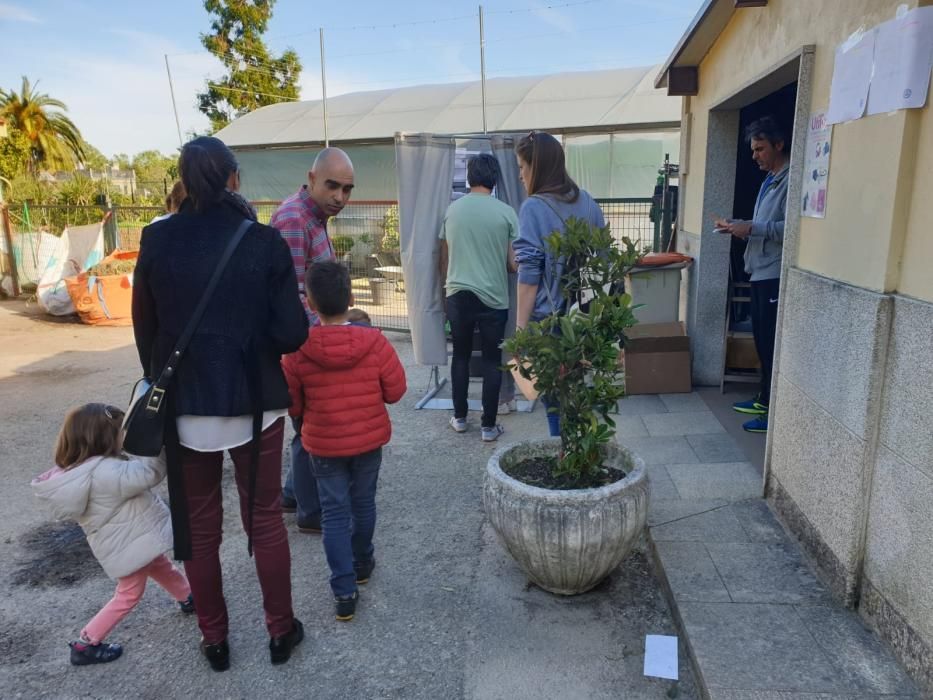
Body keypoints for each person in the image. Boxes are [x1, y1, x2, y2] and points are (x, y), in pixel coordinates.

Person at [132, 136, 308, 671]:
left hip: (185, 406)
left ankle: (215, 640)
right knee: (264, 522)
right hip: (255, 404)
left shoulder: (156, 240)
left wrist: (161, 375)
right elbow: (293, 331)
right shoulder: (263, 242)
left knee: (201, 530)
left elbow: (146, 328)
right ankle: (280, 632)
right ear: (234, 179)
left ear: (183, 183)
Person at [282, 261, 406, 622]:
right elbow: (396, 391)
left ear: (311, 304)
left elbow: (293, 404)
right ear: (352, 298)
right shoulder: (376, 342)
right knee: (363, 502)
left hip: (323, 445)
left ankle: (344, 590)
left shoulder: (298, 350)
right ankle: (363, 562)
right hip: (368, 441)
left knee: (334, 513)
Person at [31, 403, 194, 667]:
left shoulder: (81, 469)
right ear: (105, 437)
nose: (124, 437)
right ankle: (86, 642)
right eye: (122, 432)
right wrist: (151, 444)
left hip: (129, 540)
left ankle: (187, 596)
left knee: (159, 564)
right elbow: (149, 473)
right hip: (126, 544)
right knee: (129, 593)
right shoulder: (105, 472)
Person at [271, 148, 355, 534]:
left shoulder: (315, 217)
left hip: (312, 340)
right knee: (310, 430)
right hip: (303, 347)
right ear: (312, 177)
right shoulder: (294, 218)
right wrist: (329, 338)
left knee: (307, 427)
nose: (340, 197)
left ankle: (293, 492)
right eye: (333, 185)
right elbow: (291, 295)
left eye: (347, 189)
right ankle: (310, 511)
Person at [513, 131, 606, 437]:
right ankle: (578, 449)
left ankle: (563, 454)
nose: (521, 175)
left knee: (553, 397)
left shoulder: (533, 207)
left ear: (536, 168)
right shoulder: (589, 202)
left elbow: (529, 276)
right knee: (578, 392)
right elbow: (601, 259)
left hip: (549, 322)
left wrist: (520, 332)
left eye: (523, 168)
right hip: (584, 316)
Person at [715, 115, 788, 434]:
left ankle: (773, 412)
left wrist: (753, 228)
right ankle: (762, 397)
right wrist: (739, 227)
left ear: (779, 145)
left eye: (760, 149)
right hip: (758, 270)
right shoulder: (769, 180)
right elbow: (764, 226)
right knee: (761, 339)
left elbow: (791, 229)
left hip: (773, 274)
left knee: (771, 343)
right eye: (753, 150)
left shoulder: (790, 180)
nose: (755, 155)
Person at [438, 154, 518, 442]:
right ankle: (488, 426)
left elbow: (444, 257)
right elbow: (512, 264)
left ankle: (459, 418)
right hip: (494, 298)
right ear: (494, 179)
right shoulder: (507, 212)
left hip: (457, 293)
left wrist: (445, 291)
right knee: (491, 360)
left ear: (470, 177)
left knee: (459, 356)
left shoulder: (452, 211)